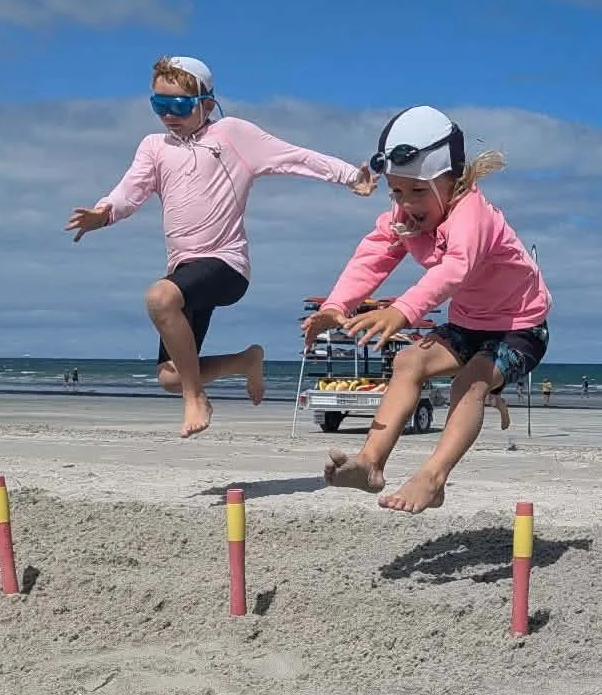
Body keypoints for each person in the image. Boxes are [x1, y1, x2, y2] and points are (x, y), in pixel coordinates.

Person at [68, 56, 375, 438]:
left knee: (160, 299)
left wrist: (350, 176)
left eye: (178, 105)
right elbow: (129, 191)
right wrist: (103, 213)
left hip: (226, 266)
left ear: (207, 104)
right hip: (186, 273)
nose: (168, 115)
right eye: (158, 106)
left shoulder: (231, 134)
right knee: (168, 375)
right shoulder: (154, 147)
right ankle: (246, 361)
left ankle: (195, 398)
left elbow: (294, 157)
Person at [303, 105, 550, 512]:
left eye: (418, 191)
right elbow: (372, 255)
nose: (406, 203)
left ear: (452, 180)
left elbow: (456, 268)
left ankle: (433, 479)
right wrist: (335, 306)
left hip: (521, 328)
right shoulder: (406, 217)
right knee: (406, 364)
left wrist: (403, 310)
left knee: (468, 383)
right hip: (468, 325)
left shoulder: (472, 215)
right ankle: (369, 464)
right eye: (397, 191)